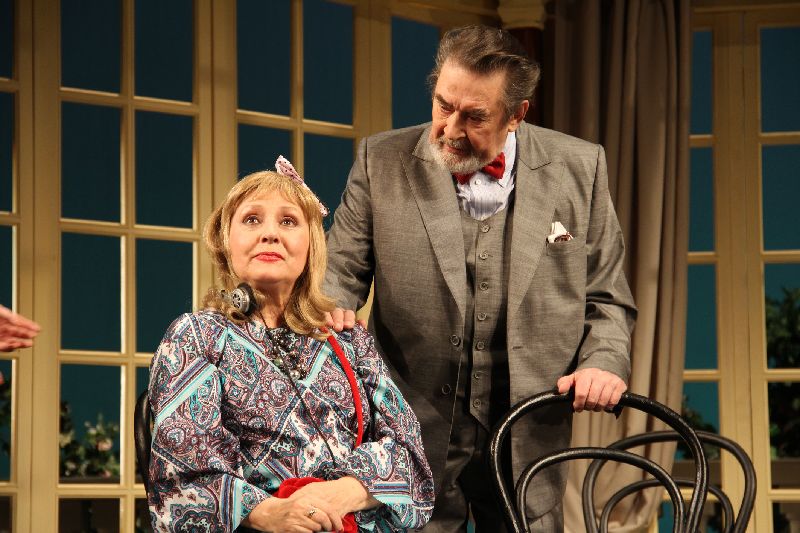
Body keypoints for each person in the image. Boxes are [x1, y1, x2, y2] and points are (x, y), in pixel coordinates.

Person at [323, 26, 636, 532]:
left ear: (516, 115)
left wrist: (602, 362)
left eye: (474, 116)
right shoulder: (380, 160)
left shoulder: (581, 166)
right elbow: (339, 272)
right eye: (443, 105)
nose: (450, 128)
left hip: (530, 430)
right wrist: (328, 307)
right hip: (410, 431)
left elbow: (607, 297)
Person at [147, 158, 434, 532]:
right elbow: (183, 475)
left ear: (311, 244)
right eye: (252, 219)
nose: (270, 233)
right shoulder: (197, 336)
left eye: (288, 221)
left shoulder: (350, 340)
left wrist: (340, 494)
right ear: (225, 241)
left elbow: (411, 458)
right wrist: (270, 513)